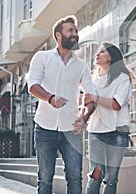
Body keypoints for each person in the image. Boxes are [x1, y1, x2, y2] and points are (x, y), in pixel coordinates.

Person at [28, 15, 96, 194]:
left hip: (71, 130)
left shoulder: (81, 66)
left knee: (74, 177)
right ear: (58, 36)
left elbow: (92, 96)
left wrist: (84, 118)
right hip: (44, 127)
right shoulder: (42, 57)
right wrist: (51, 98)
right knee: (45, 178)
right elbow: (33, 86)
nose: (75, 34)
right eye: (70, 31)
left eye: (76, 31)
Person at [83, 42, 134, 194]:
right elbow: (88, 104)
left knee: (111, 178)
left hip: (118, 131)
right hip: (96, 131)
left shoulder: (122, 78)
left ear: (111, 57)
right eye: (97, 52)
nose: (97, 54)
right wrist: (81, 120)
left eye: (102, 52)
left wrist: (94, 97)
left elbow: (116, 104)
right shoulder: (92, 79)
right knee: (95, 175)